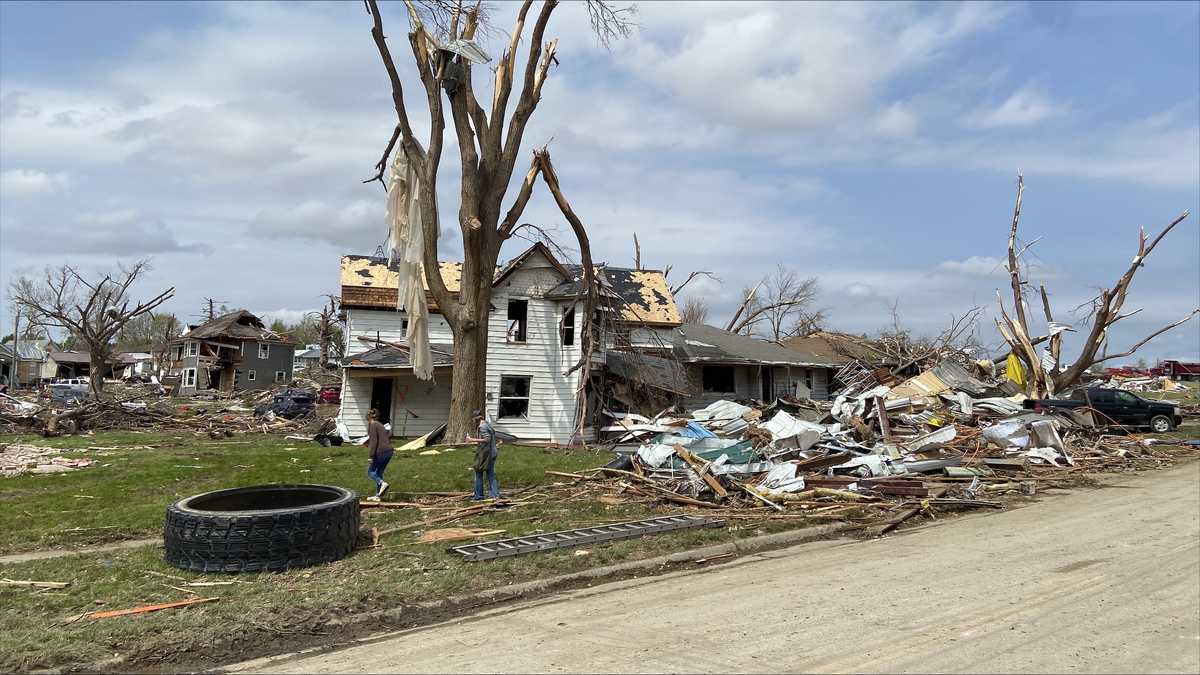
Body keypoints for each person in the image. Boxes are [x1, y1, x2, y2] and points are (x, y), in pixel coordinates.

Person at [464, 410, 500, 501]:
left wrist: (471, 439)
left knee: (478, 472)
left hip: (487, 453)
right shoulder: (487, 424)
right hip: (491, 452)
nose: (473, 421)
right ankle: (495, 495)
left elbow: (487, 439)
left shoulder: (482, 427)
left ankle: (479, 496)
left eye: (473, 419)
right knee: (490, 473)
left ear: (476, 418)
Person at [365, 408, 393, 502]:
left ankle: (382, 483)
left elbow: (374, 442)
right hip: (388, 451)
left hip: (381, 452)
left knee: (371, 472)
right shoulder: (379, 424)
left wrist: (370, 456)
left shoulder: (372, 425)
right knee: (379, 473)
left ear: (369, 416)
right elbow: (382, 438)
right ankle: (378, 496)